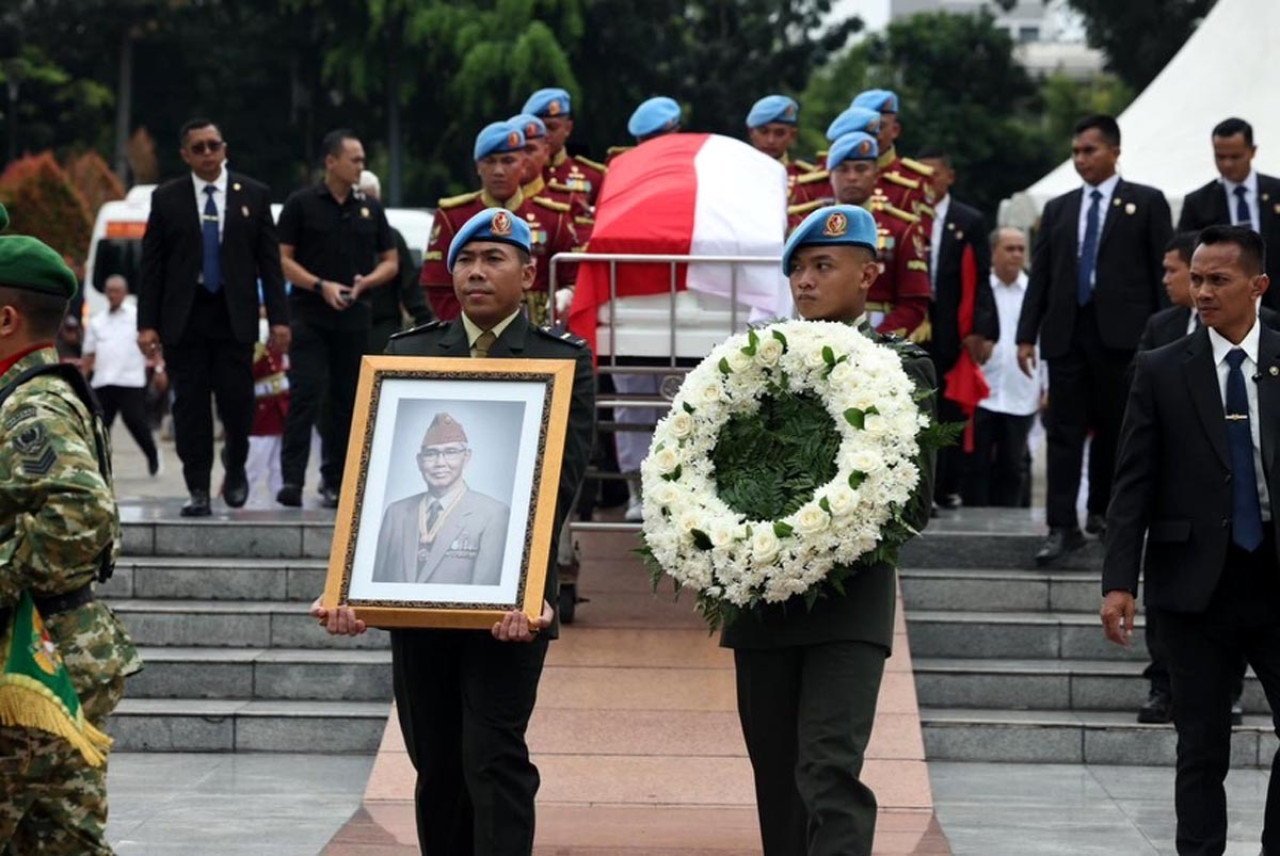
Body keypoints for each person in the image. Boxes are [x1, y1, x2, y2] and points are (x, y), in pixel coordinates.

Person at [312, 207, 595, 856]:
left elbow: (560, 486)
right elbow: (376, 482)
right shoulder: (406, 355)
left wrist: (529, 588)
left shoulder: (563, 361)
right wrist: (353, 583)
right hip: (419, 602)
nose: (475, 272)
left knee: (493, 758)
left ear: (528, 274)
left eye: (493, 260)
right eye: (465, 260)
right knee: (436, 763)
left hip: (508, 607)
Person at [724, 203, 935, 856]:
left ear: (869, 275)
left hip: (848, 604)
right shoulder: (755, 367)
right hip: (764, 603)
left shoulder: (902, 369)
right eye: (798, 270)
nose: (806, 282)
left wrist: (827, 534)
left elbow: (916, 501)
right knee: (777, 781)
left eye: (823, 266)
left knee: (828, 770)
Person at [1102, 225, 1280, 856]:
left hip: (1277, 581)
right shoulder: (1160, 368)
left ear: (1257, 286)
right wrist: (1119, 581)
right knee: (1201, 746)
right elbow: (1132, 483)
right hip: (1194, 588)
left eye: (1218, 280)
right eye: (1196, 279)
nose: (1201, 292)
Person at [0, 204, 142, 852]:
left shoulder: (31, 404)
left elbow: (82, 515)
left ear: (6, 319)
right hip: (53, 644)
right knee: (59, 839)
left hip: (39, 653)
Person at [1016, 114, 1172, 564]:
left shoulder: (1145, 202)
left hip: (1125, 338)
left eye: (1090, 150)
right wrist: (1027, 335)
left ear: (1114, 151)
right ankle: (1061, 525)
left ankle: (1103, 513)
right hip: (1067, 335)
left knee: (1116, 428)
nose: (1081, 159)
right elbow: (1041, 276)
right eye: (1076, 152)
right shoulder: (1059, 208)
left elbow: (1160, 277)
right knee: (1063, 431)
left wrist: (1164, 335)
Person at [137, 117, 290, 517]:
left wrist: (279, 319)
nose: (208, 153)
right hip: (184, 317)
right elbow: (152, 266)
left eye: (214, 145)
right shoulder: (167, 198)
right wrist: (146, 324)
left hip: (233, 315)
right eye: (199, 147)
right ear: (185, 154)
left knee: (237, 401)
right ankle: (198, 487)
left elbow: (270, 264)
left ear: (225, 148)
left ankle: (235, 465)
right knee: (189, 407)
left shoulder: (253, 195)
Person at [276, 129, 399, 508]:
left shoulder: (371, 209)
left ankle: (337, 480)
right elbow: (282, 260)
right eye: (355, 159)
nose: (361, 166)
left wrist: (367, 283)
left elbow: (390, 262)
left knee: (347, 399)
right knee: (306, 394)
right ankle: (292, 480)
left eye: (363, 159)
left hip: (355, 315)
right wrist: (319, 285)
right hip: (310, 314)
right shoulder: (301, 203)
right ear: (331, 162)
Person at [420, 121, 579, 327]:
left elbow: (574, 279)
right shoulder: (454, 216)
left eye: (508, 161)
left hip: (539, 335)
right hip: (469, 337)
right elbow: (438, 287)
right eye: (490, 161)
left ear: (523, 163)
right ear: (478, 166)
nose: (498, 170)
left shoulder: (553, 217)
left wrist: (564, 300)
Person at [916, 149, 996, 510]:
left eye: (934, 174)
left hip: (952, 324)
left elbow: (981, 278)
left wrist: (982, 328)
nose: (928, 181)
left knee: (949, 409)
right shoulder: (907, 215)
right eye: (921, 174)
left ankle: (945, 485)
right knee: (916, 403)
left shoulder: (969, 219)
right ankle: (920, 487)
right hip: (915, 320)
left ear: (949, 176)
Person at [791, 131, 931, 338]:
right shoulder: (809, 226)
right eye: (842, 169)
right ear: (829, 175)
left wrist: (876, 340)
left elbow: (914, 301)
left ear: (876, 174)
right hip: (815, 333)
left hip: (880, 333)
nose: (852, 177)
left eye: (861, 169)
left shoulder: (902, 228)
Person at [372, 413, 510, 585]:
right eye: (431, 454)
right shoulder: (396, 513)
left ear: (466, 457)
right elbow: (375, 583)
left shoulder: (493, 514)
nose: (440, 463)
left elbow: (487, 593)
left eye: (450, 452)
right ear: (419, 461)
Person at [963, 228, 1039, 507]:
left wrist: (1048, 387)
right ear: (993, 252)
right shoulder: (979, 289)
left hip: (1021, 390)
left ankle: (1011, 526)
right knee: (976, 464)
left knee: (1013, 465)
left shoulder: (1033, 291)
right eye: (1010, 248)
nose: (1017, 255)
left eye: (1021, 249)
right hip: (983, 388)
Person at [1178, 117, 1280, 310]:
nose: (1227, 164)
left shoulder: (1276, 192)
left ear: (1252, 151)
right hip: (1226, 302)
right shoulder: (1198, 202)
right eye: (1220, 157)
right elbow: (1186, 255)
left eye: (1235, 157)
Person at [82, 274, 160, 476]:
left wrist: (159, 369)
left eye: (117, 291)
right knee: (101, 426)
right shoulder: (97, 321)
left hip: (130, 380)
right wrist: (81, 379)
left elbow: (153, 345)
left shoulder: (137, 317)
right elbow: (89, 354)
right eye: (109, 291)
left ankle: (152, 455)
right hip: (104, 381)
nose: (112, 295)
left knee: (135, 421)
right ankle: (101, 466)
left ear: (125, 293)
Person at [358, 169, 433, 355]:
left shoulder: (391, 238)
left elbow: (410, 286)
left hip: (382, 328)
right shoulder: (335, 235)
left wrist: (425, 324)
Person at [850, 89, 935, 232]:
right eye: (861, 127)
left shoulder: (915, 180)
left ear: (895, 130)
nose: (870, 136)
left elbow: (922, 242)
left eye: (879, 127)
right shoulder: (828, 176)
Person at [521, 87, 607, 207]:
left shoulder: (593, 177)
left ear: (568, 128)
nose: (545, 135)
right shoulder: (516, 176)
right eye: (537, 130)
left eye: (552, 127)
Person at [745, 95, 815, 204]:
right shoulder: (734, 174)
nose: (770, 140)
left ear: (792, 136)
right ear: (751, 133)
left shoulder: (808, 179)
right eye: (763, 132)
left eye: (779, 133)